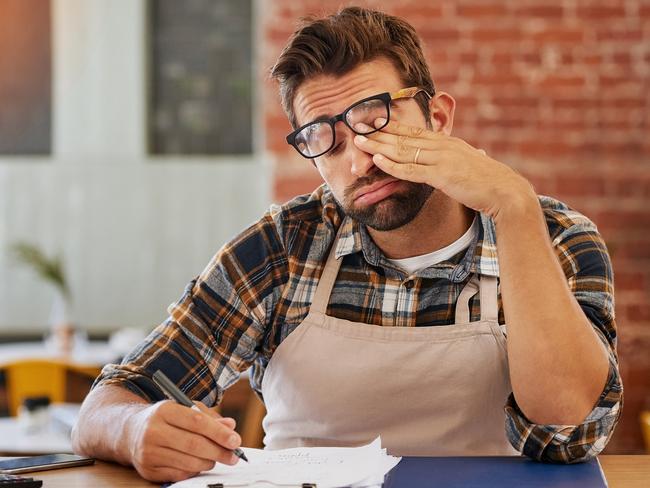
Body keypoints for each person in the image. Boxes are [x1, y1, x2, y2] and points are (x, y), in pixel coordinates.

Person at [72, 6, 622, 483]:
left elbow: (568, 429)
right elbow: (110, 401)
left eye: (375, 120)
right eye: (324, 139)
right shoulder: (283, 248)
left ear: (438, 118)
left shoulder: (555, 237)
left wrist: (516, 211)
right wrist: (135, 428)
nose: (358, 160)